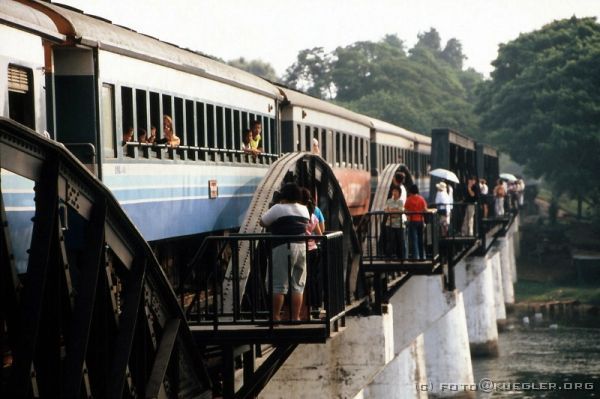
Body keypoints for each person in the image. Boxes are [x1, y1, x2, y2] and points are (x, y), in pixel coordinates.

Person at [259, 183, 309, 321]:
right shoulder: (304, 209)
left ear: (284, 197)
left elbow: (262, 222)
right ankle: (295, 317)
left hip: (283, 247)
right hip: (301, 248)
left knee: (278, 284)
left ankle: (275, 317)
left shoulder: (278, 208)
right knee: (297, 285)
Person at [300, 188, 323, 317]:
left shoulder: (299, 216)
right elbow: (320, 233)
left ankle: (304, 309)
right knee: (312, 279)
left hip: (303, 251)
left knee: (302, 280)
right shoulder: (313, 216)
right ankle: (314, 306)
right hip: (313, 250)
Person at [404, 184, 428, 260]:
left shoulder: (409, 199)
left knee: (414, 240)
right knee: (421, 240)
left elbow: (405, 210)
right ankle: (422, 256)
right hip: (420, 220)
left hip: (412, 220)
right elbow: (425, 210)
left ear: (410, 191)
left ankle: (415, 257)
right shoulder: (421, 199)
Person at [385, 186, 405, 259]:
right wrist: (395, 210)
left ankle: (401, 258)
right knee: (389, 242)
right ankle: (388, 258)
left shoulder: (401, 201)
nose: (394, 193)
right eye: (394, 191)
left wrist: (392, 211)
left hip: (399, 224)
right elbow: (386, 211)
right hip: (389, 224)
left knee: (400, 242)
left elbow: (401, 211)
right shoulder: (389, 201)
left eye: (396, 191)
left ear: (399, 193)